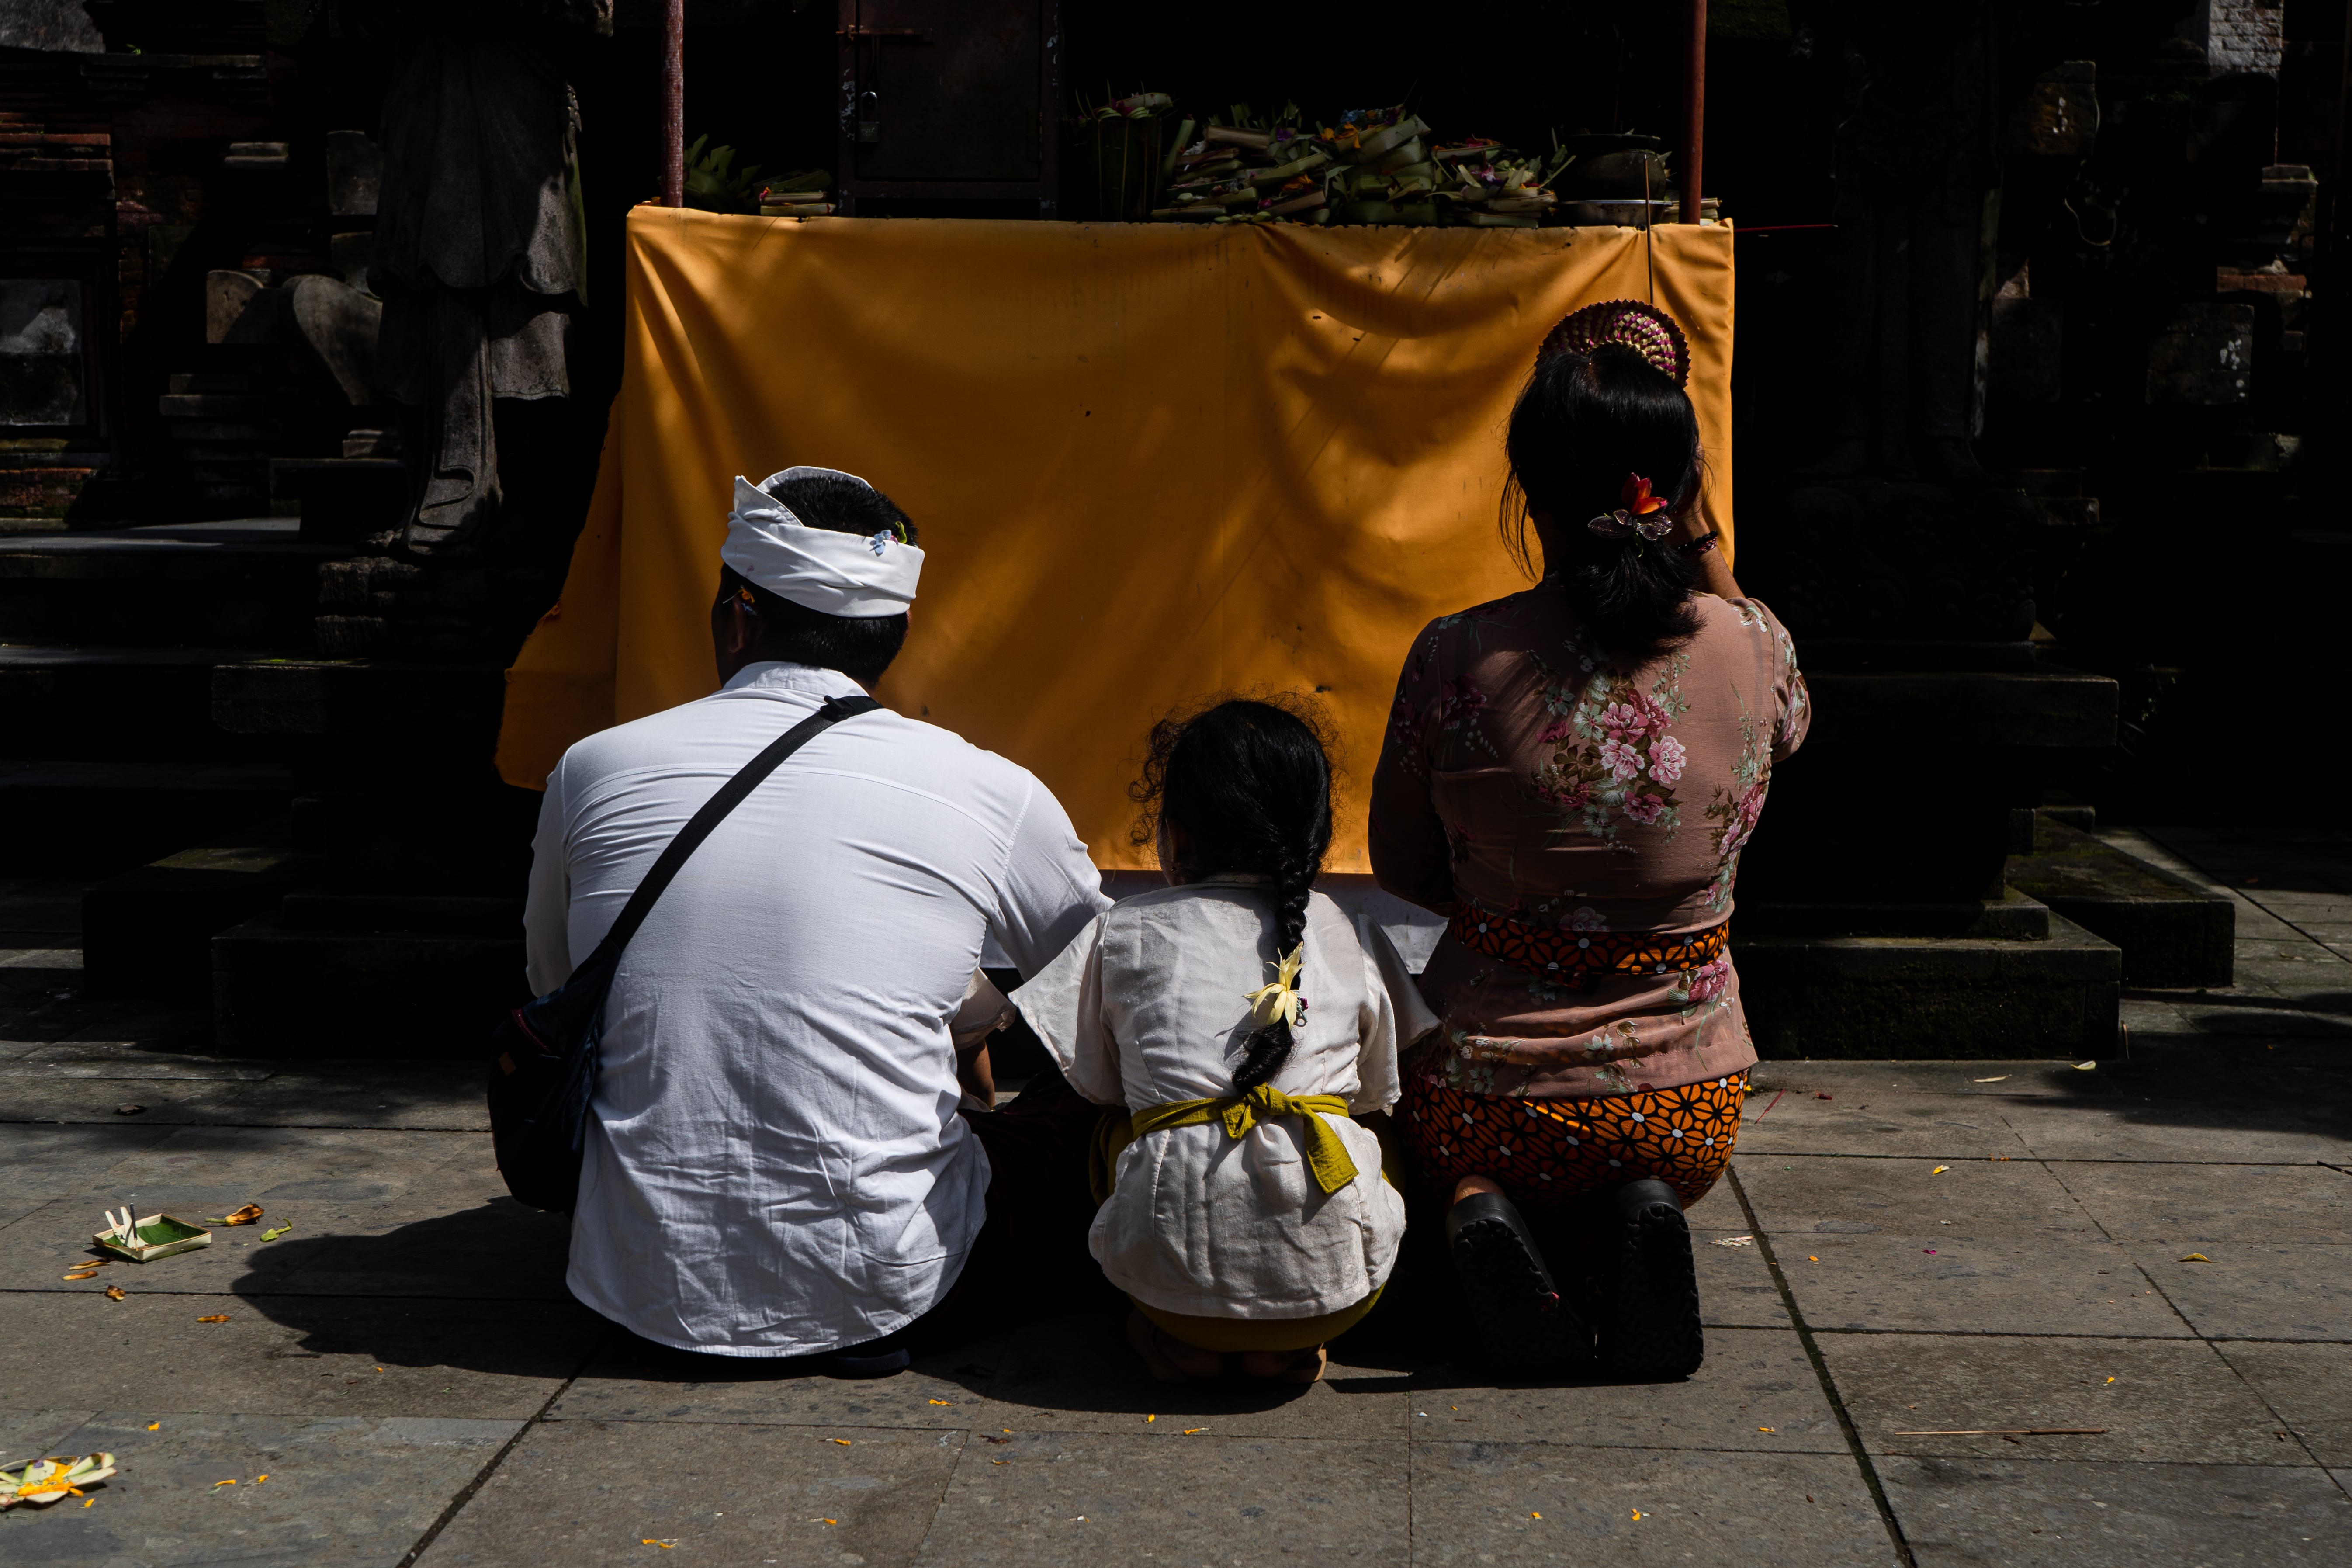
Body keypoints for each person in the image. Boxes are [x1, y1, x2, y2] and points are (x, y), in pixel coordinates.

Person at [523, 465, 1112, 1370]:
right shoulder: (991, 788)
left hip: (635, 1285)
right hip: (894, 1289)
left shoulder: (594, 767)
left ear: (738, 618)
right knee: (1084, 1116)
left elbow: (554, 984)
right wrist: (967, 1009)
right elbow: (1114, 980)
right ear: (900, 631)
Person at [1368, 301, 1810, 1380]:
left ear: (1529, 491)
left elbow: (1404, 869)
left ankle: (1483, 1204)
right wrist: (1701, 538)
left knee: (1413, 1136)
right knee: (1634, 1155)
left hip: (1487, 1099)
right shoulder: (1754, 646)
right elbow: (1789, 723)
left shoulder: (1456, 655)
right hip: (1688, 1107)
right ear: (1680, 485)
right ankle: (1627, 1212)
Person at [1014, 699, 1433, 1384]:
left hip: (1170, 1281)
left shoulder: (1121, 929)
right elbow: (1379, 1090)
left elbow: (1096, 1085)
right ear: (1317, 837)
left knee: (1111, 1131)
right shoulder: (1348, 930)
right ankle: (1288, 1345)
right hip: (1334, 1293)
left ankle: (1179, 1336)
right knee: (1377, 1141)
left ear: (1176, 838)